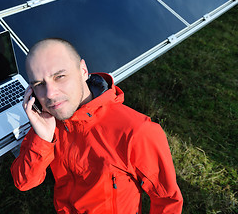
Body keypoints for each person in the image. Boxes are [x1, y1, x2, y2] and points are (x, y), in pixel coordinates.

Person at [11, 38, 183, 213]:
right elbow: (24, 182)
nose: (50, 94)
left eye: (60, 76)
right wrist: (42, 139)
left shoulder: (136, 132)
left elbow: (167, 200)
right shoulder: (50, 120)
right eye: (39, 84)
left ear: (83, 71)